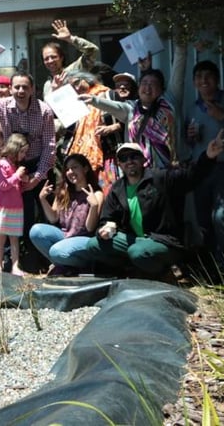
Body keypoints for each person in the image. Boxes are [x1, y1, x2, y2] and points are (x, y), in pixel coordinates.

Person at [75, 135, 224, 278]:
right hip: (134, 241)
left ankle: (165, 272)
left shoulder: (160, 177)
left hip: (163, 241)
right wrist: (107, 227)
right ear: (119, 164)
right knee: (94, 245)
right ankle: (131, 269)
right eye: (124, 158)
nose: (129, 161)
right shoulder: (117, 188)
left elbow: (191, 176)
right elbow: (107, 218)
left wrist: (208, 157)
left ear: (142, 159)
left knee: (138, 252)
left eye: (134, 156)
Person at [0, 71, 57, 271]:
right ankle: (12, 261)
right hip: (11, 166)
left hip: (38, 163)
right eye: (17, 87)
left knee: (44, 212)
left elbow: (49, 146)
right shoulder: (3, 105)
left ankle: (45, 260)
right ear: (11, 88)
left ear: (32, 89)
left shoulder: (44, 110)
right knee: (16, 216)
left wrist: (37, 177)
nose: (20, 91)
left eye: (25, 87)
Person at [81, 68, 177, 168]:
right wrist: (94, 100)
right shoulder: (131, 108)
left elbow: (178, 69)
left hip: (167, 171)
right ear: (139, 88)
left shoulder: (169, 106)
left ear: (161, 88)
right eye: (144, 83)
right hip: (139, 172)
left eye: (153, 84)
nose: (148, 88)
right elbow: (115, 106)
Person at [29, 154, 104, 276]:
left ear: (85, 169)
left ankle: (81, 266)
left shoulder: (96, 194)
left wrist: (94, 206)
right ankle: (64, 266)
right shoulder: (64, 192)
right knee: (36, 231)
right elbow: (53, 218)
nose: (70, 172)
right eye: (67, 169)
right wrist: (42, 199)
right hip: (65, 236)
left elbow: (90, 228)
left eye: (75, 167)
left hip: (85, 241)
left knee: (56, 251)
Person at [184, 61, 224, 270]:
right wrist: (189, 137)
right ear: (193, 82)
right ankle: (210, 269)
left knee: (220, 217)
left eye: (208, 76)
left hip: (222, 168)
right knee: (203, 219)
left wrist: (221, 116)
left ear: (217, 80)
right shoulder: (192, 107)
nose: (204, 81)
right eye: (199, 77)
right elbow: (187, 143)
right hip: (201, 169)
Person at [57, 70, 111, 179]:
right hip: (80, 155)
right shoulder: (74, 103)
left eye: (77, 83)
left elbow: (121, 120)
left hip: (104, 151)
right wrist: (56, 90)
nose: (76, 88)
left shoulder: (106, 94)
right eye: (72, 88)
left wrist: (111, 127)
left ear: (86, 79)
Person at [0, 133, 29, 276]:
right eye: (23, 151)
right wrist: (17, 175)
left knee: (14, 237)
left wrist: (23, 180)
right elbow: (4, 185)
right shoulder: (2, 164)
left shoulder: (13, 165)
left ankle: (15, 266)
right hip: (3, 207)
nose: (24, 155)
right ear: (15, 148)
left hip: (15, 206)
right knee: (1, 237)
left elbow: (14, 187)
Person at [41, 19, 100, 99]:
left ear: (61, 58)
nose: (50, 61)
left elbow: (92, 50)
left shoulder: (74, 70)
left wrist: (70, 38)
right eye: (46, 59)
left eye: (53, 57)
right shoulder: (47, 85)